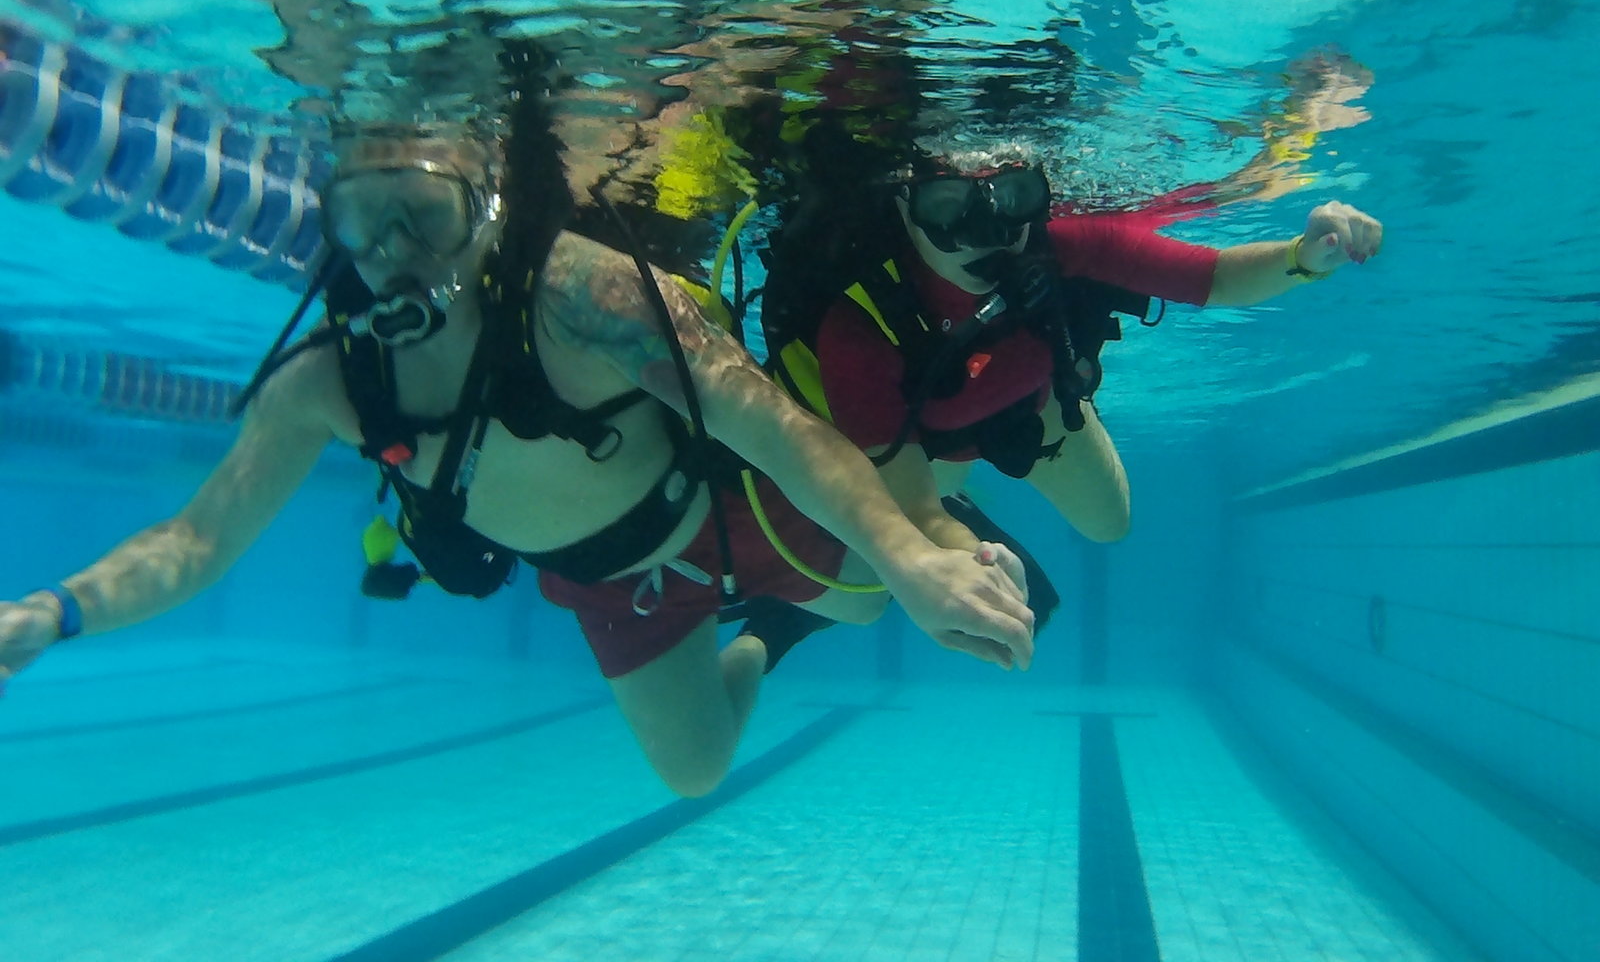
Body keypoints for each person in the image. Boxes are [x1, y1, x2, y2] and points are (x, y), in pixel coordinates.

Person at [0, 99, 1037, 798]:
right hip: (607, 586)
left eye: (426, 214)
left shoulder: (589, 300)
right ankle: (766, 639)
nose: (398, 256)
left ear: (485, 209)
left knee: (881, 593)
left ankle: (924, 528)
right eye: (364, 222)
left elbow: (782, 434)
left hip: (725, 512)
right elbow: (195, 542)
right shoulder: (328, 383)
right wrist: (53, 612)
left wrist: (913, 563)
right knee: (694, 772)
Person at [738, 138, 1382, 667]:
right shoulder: (859, 326)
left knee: (1111, 523)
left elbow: (1214, 277)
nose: (986, 234)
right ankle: (937, 520)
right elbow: (916, 510)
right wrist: (980, 565)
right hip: (926, 443)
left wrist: (1303, 256)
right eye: (947, 206)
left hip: (1037, 408)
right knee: (888, 569)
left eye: (1012, 198)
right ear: (904, 207)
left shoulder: (1066, 241)